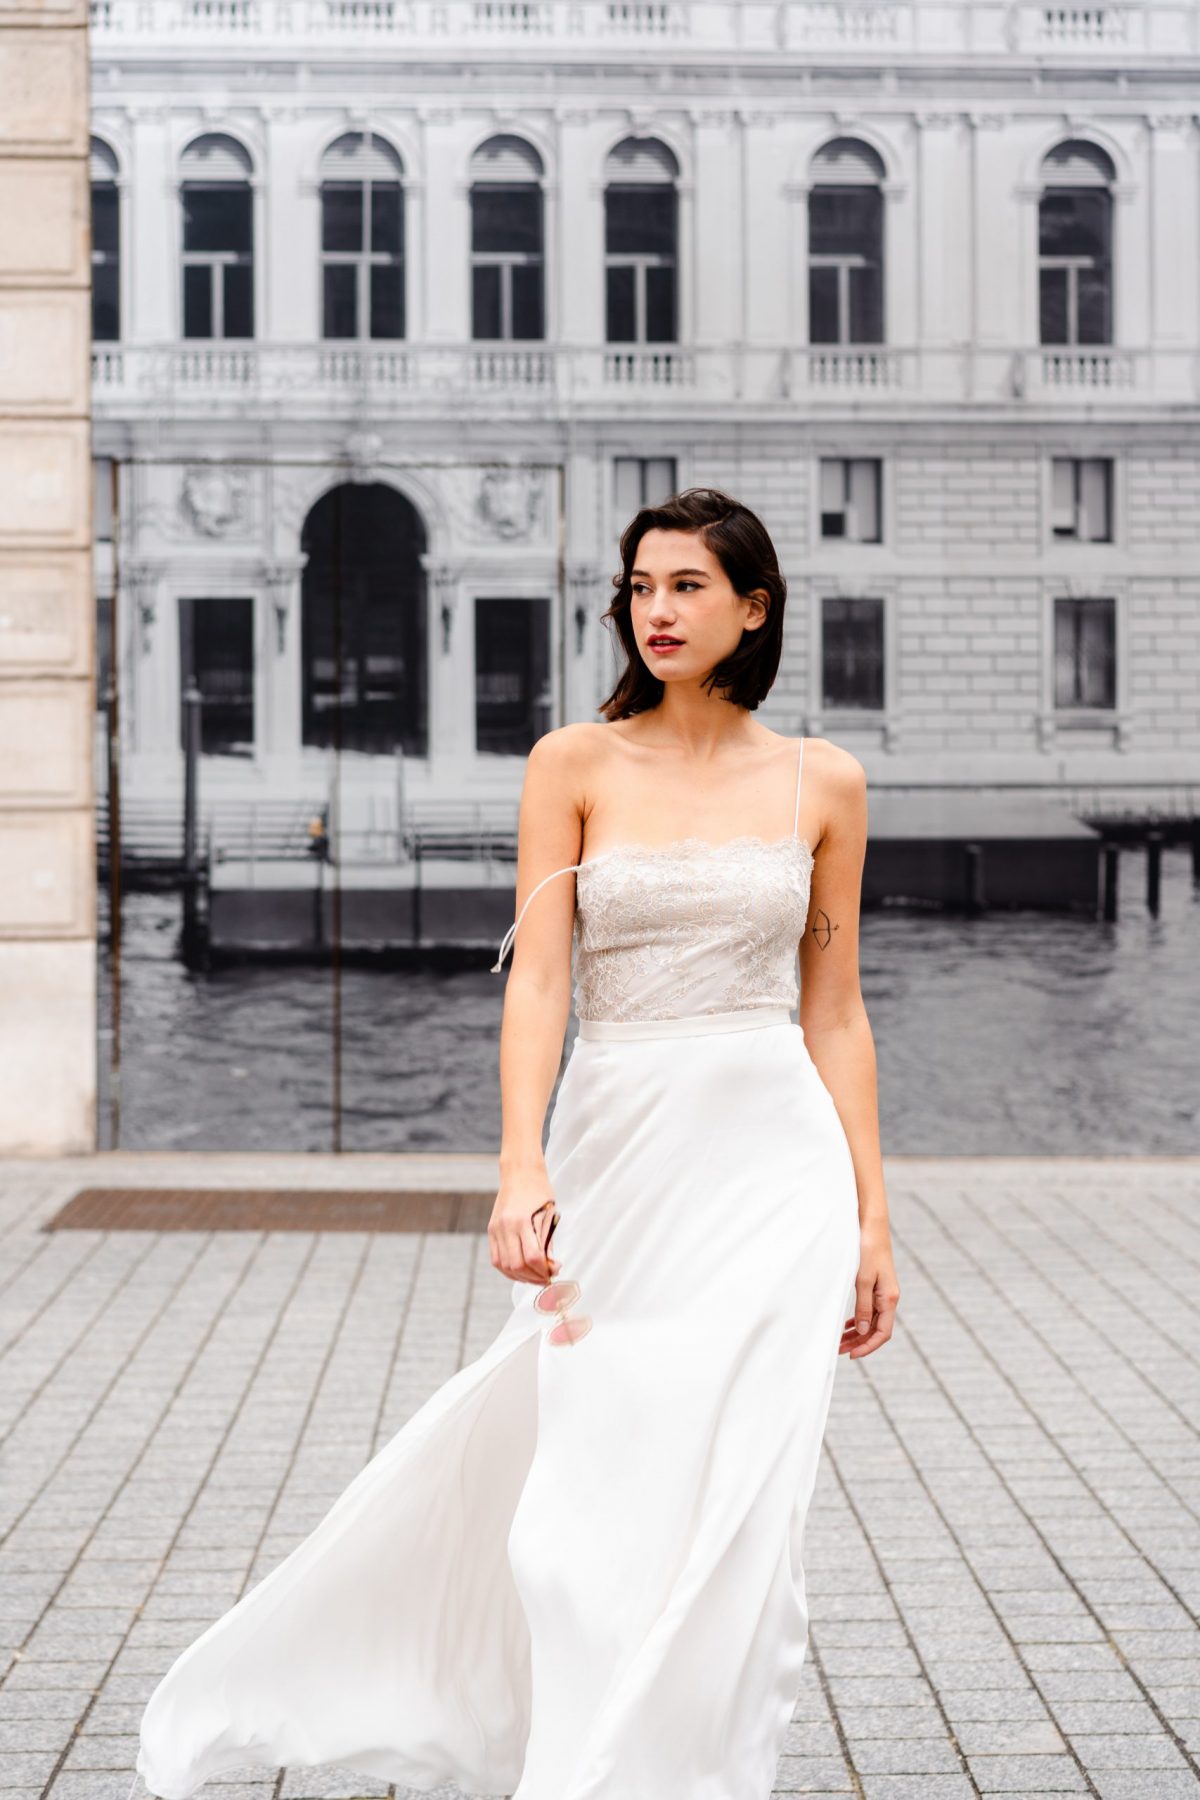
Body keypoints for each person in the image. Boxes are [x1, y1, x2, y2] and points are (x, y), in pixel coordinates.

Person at [131, 484, 899, 1800]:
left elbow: (835, 1012)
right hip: (619, 1144)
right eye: (641, 587)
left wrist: (874, 1220)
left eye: (688, 587)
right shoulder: (572, 764)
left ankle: (698, 1768)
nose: (656, 611)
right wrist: (520, 1163)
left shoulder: (823, 781)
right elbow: (539, 981)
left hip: (777, 1173)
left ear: (754, 608)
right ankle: (558, 1735)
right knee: (583, 1491)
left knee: (738, 1493)